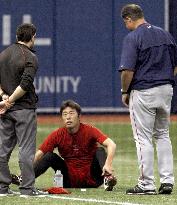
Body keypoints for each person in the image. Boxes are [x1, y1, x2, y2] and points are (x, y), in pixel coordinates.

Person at [119, 4, 177, 195]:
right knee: (162, 135)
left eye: (125, 21)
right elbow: (175, 66)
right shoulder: (165, 34)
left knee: (142, 138)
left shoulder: (133, 37)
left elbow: (127, 70)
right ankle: (168, 181)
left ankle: (147, 184)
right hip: (166, 89)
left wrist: (124, 91)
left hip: (144, 90)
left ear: (128, 19)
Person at [12, 100, 117, 191]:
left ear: (79, 116)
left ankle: (108, 178)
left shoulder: (90, 130)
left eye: (71, 113)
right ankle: (24, 179)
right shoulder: (57, 134)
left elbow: (111, 144)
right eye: (65, 114)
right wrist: (24, 172)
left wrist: (108, 164)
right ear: (62, 117)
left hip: (93, 178)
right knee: (49, 156)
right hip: (68, 180)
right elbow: (39, 154)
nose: (68, 117)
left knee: (100, 150)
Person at [0, 23, 40, 196]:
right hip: (23, 108)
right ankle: (27, 188)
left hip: (5, 110)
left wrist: (3, 98)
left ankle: (2, 187)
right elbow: (25, 85)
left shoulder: (3, 54)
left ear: (17, 36)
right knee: (26, 149)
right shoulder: (30, 57)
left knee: (2, 149)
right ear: (32, 37)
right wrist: (10, 100)